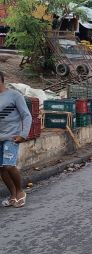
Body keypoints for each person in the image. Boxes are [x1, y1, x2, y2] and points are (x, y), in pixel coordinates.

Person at [0, 71, 32, 208]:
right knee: (1, 169)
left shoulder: (14, 95)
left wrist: (23, 135)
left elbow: (27, 115)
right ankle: (12, 194)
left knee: (8, 165)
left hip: (12, 137)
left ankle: (20, 191)